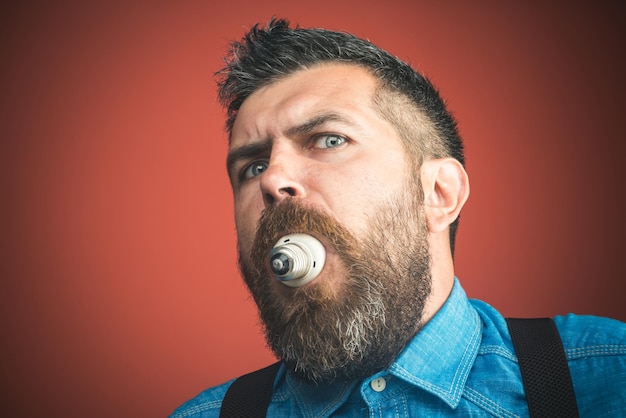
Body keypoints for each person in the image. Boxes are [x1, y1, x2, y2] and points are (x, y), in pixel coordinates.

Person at [171, 18, 626, 417]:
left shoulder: (608, 372)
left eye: (328, 140)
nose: (273, 179)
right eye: (252, 167)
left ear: (439, 193)